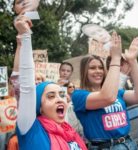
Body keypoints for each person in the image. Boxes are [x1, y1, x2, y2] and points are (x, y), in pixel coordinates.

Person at [14, 15, 87, 150]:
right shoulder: (30, 128)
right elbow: (27, 88)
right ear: (39, 107)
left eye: (61, 94)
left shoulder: (70, 131)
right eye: (51, 96)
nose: (60, 99)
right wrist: (25, 36)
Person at [72, 32, 138, 150]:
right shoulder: (79, 95)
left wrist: (133, 61)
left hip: (129, 143)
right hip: (106, 147)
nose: (98, 71)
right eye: (92, 68)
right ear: (84, 72)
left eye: (101, 67)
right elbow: (107, 97)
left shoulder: (116, 92)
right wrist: (116, 58)